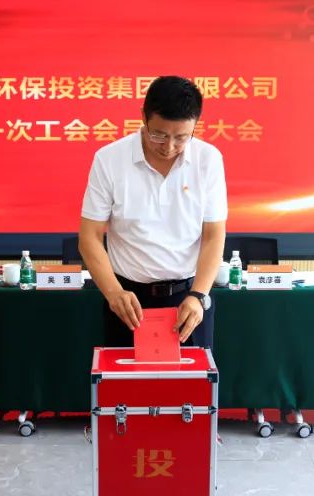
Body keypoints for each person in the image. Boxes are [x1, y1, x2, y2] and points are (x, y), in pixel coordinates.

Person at [79, 76, 227, 348]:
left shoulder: (208, 159)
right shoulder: (109, 159)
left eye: (181, 137)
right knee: (124, 376)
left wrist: (199, 295)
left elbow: (213, 235)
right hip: (127, 301)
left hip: (188, 299)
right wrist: (114, 293)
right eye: (159, 134)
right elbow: (89, 236)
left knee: (193, 377)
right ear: (143, 117)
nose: (169, 147)